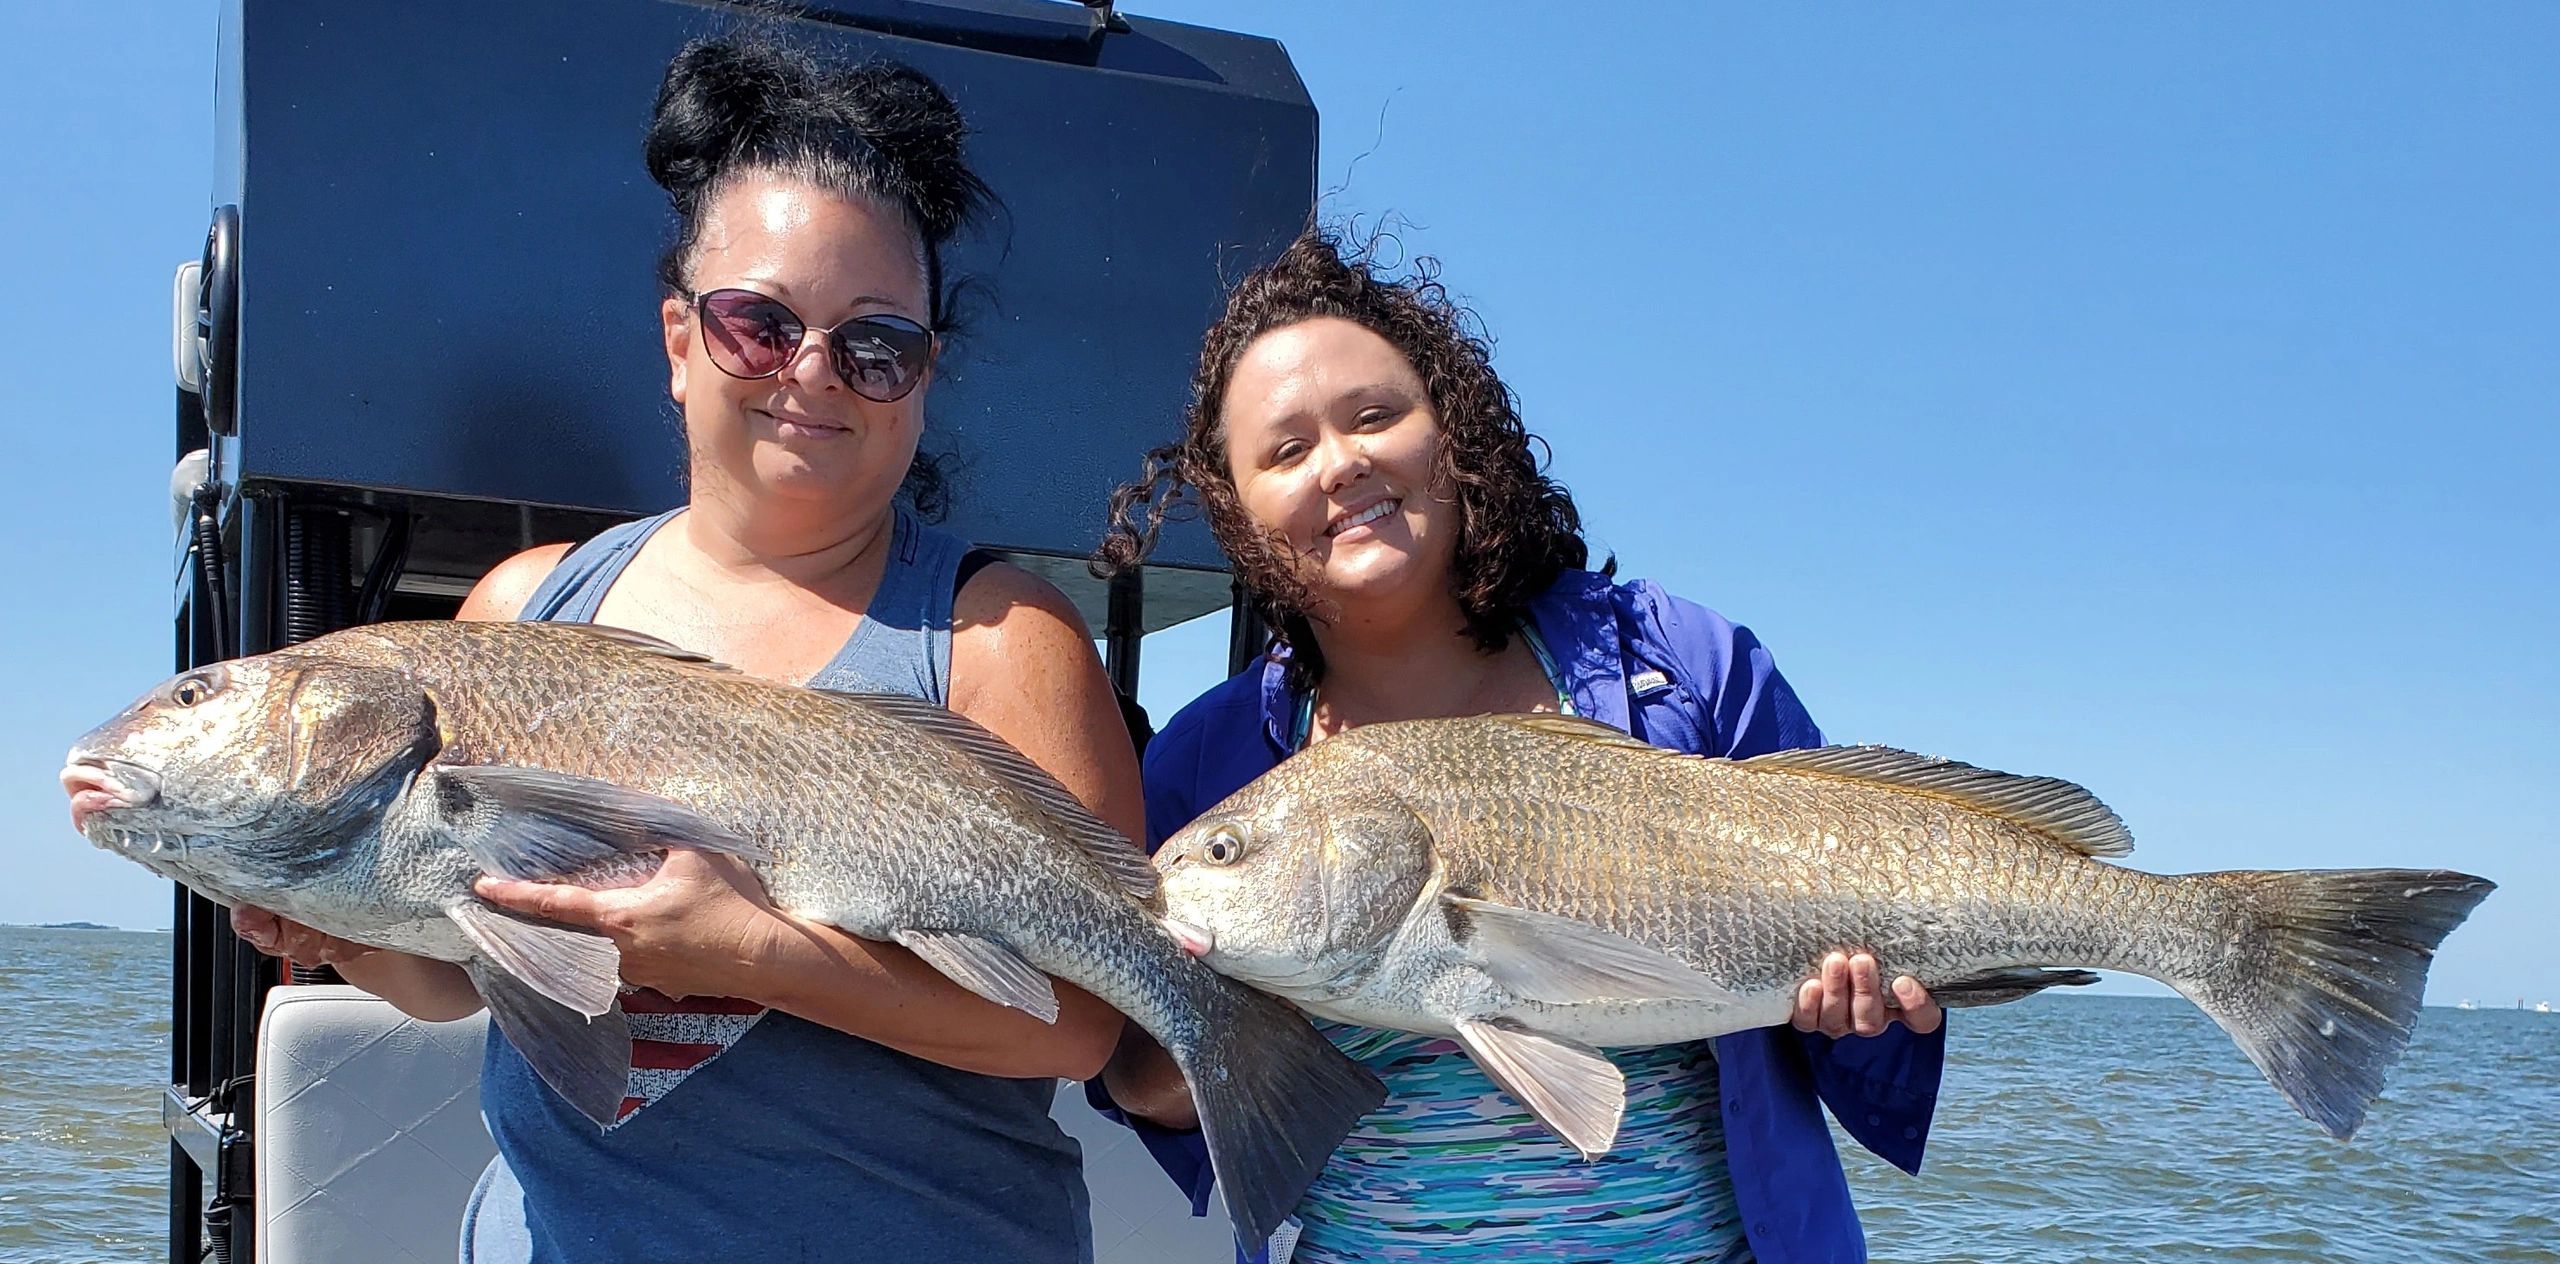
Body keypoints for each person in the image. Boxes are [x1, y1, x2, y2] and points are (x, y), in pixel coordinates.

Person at [229, 35, 1143, 1263]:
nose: (812, 371)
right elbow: (464, 977)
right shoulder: (525, 612)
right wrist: (349, 933)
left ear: (925, 380)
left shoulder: (1001, 640)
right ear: (676, 338)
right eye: (757, 324)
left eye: (876, 344)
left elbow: (1079, 1023)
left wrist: (760, 955)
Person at [1090, 230, 1946, 1264]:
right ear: (1234, 503)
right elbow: (1142, 1092)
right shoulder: (1204, 763)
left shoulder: (1683, 661)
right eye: (1284, 450)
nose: (1341, 462)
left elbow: (1866, 1019)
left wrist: (1862, 1016)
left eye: (1374, 416)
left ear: (1452, 433)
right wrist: (1210, 1015)